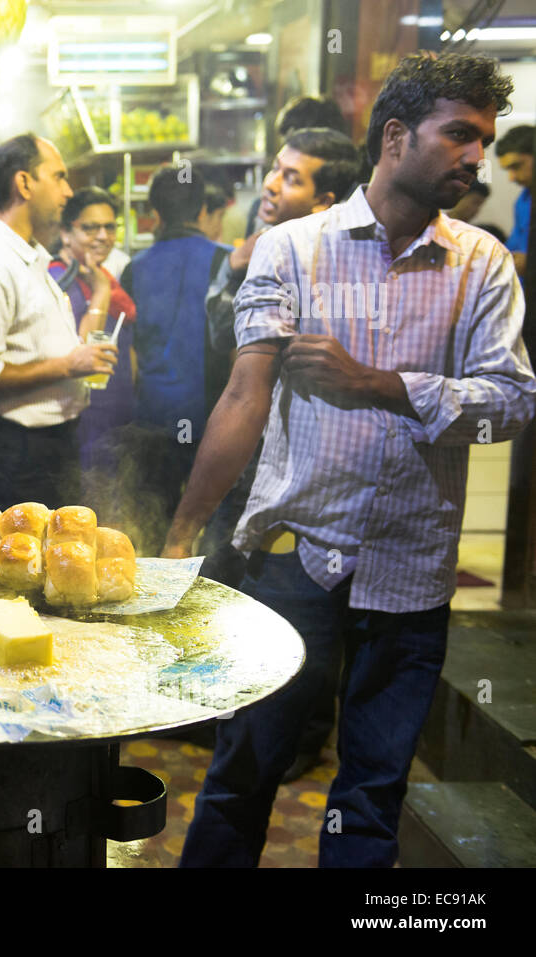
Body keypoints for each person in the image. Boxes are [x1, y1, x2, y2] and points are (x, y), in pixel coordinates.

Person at [163, 52, 534, 868]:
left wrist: (379, 383)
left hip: (412, 571)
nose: (477, 157)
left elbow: (511, 401)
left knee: (370, 795)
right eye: (461, 135)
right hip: (293, 562)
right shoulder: (292, 249)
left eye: (485, 140)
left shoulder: (482, 269)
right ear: (396, 136)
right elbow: (242, 396)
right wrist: (184, 529)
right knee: (239, 774)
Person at [199, 126, 362, 777]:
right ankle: (235, 723)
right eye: (275, 169)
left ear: (325, 198)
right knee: (228, 590)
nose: (271, 183)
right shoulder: (250, 246)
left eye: (292, 177)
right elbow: (223, 347)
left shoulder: (337, 260)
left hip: (306, 466)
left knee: (303, 608)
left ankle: (301, 738)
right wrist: (234, 271)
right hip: (246, 456)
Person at [0, 133, 116, 512]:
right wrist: (69, 366)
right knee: (11, 567)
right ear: (24, 183)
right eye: (58, 177)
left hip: (49, 447)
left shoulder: (29, 256)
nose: (68, 192)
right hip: (12, 455)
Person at [116, 165, 230, 554]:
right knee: (209, 537)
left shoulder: (134, 268)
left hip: (153, 423)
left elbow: (127, 353)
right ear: (202, 210)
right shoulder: (229, 263)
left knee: (155, 531)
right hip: (216, 424)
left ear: (156, 215)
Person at [47, 186, 138, 527]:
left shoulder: (107, 277)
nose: (103, 236)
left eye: (110, 227)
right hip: (85, 417)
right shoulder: (57, 279)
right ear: (66, 232)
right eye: (90, 228)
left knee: (113, 500)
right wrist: (99, 292)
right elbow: (80, 352)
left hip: (117, 412)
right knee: (85, 509)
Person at [243, 95, 348, 237]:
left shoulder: (342, 223)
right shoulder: (261, 208)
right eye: (275, 168)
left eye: (292, 179)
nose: (271, 186)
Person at [496, 124, 532, 275]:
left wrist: (531, 264)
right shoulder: (523, 201)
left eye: (516, 166)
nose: (512, 178)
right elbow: (512, 249)